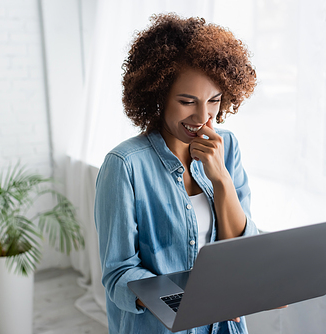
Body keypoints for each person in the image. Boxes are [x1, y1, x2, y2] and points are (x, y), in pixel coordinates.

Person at [94, 13, 259, 334]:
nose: (202, 116)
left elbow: (242, 251)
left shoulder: (229, 146)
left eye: (214, 100)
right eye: (187, 101)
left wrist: (221, 179)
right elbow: (118, 274)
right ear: (158, 96)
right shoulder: (125, 165)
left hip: (224, 326)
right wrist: (188, 301)